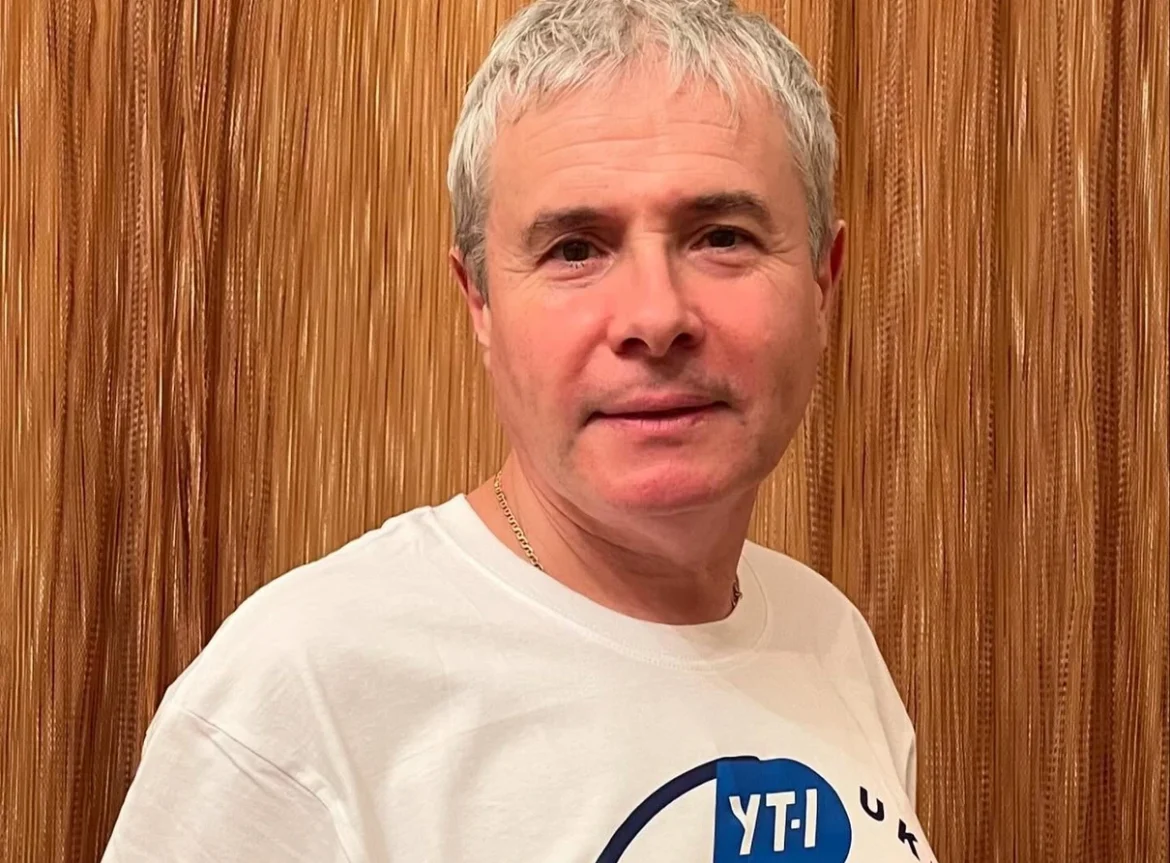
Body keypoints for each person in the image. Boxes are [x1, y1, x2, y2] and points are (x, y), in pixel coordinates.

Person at [103, 1, 937, 860]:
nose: (655, 317)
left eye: (722, 237)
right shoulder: (298, 704)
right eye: (575, 249)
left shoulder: (829, 638)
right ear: (481, 302)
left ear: (824, 281)